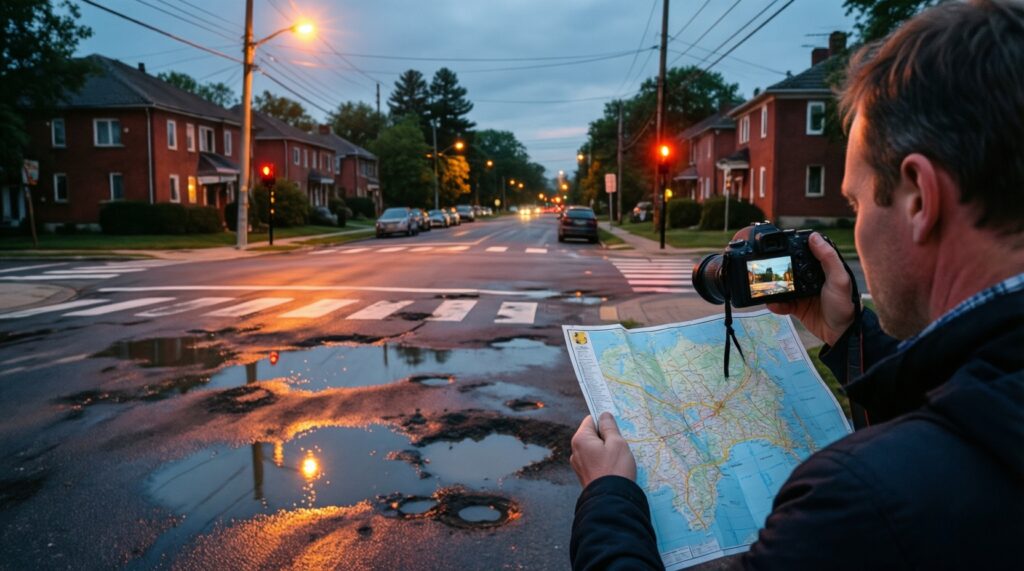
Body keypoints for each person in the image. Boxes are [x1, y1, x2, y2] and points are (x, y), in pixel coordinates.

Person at [569, 1, 1024, 569]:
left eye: (854, 202)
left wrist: (608, 498)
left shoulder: (856, 501)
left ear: (918, 199)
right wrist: (850, 334)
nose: (854, 224)